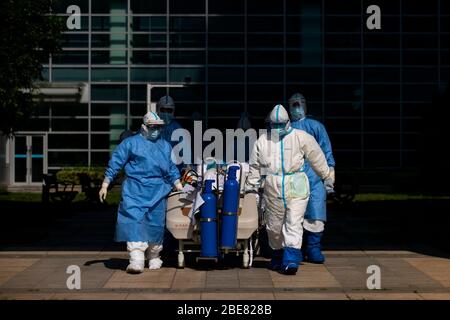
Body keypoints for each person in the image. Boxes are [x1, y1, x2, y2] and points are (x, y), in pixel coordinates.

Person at [245, 104, 333, 275]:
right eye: (274, 125)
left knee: (294, 221)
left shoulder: (301, 137)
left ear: (287, 123)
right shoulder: (263, 141)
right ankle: (277, 256)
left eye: (280, 124)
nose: (277, 128)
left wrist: (326, 176)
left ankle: (291, 259)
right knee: (274, 225)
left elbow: (317, 156)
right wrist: (251, 187)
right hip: (273, 185)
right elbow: (254, 166)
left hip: (296, 184)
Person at [99, 112, 183, 274]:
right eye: (153, 127)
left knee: (156, 223)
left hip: (158, 190)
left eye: (159, 127)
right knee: (134, 221)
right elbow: (116, 162)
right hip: (135, 190)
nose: (156, 130)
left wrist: (178, 184)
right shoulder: (130, 143)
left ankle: (154, 256)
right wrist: (105, 183)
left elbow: (171, 168)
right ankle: (136, 259)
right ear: (144, 127)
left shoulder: (165, 145)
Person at [288, 93, 335, 264]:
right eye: (293, 105)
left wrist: (329, 175)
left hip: (315, 178)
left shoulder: (316, 126)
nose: (296, 108)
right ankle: (297, 248)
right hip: (293, 178)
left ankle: (313, 248)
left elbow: (325, 150)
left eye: (299, 104)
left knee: (315, 212)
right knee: (294, 214)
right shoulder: (287, 129)